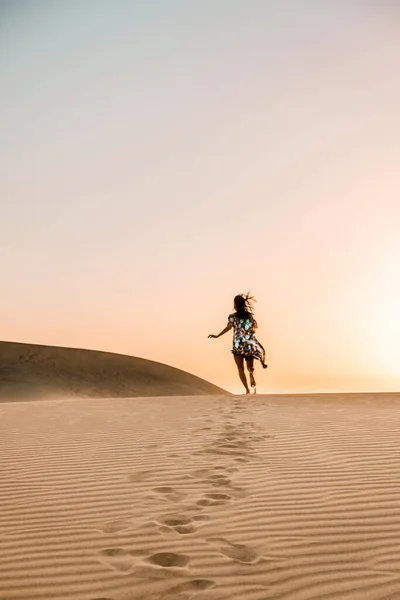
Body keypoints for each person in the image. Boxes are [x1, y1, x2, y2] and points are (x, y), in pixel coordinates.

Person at [208, 293, 267, 395]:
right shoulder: (249, 316)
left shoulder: (232, 317)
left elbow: (228, 327)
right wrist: (249, 333)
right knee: (250, 367)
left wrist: (217, 335)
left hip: (237, 345)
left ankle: (247, 390)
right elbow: (254, 328)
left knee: (240, 368)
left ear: (235, 305)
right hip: (248, 344)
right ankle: (251, 375)